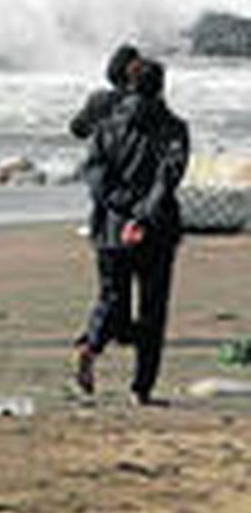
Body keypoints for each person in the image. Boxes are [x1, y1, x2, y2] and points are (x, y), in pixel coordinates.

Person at [74, 58, 189, 405]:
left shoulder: (106, 127)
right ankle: (142, 389)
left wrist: (123, 211)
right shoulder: (174, 127)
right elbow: (168, 177)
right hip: (156, 230)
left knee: (111, 298)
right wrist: (142, 215)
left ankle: (91, 344)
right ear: (161, 86)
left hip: (111, 229)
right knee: (153, 310)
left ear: (128, 83)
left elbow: (95, 175)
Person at [70, 43, 144, 238]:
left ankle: (98, 223)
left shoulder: (99, 99)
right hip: (139, 170)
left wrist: (96, 130)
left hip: (105, 169)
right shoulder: (146, 102)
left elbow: (77, 129)